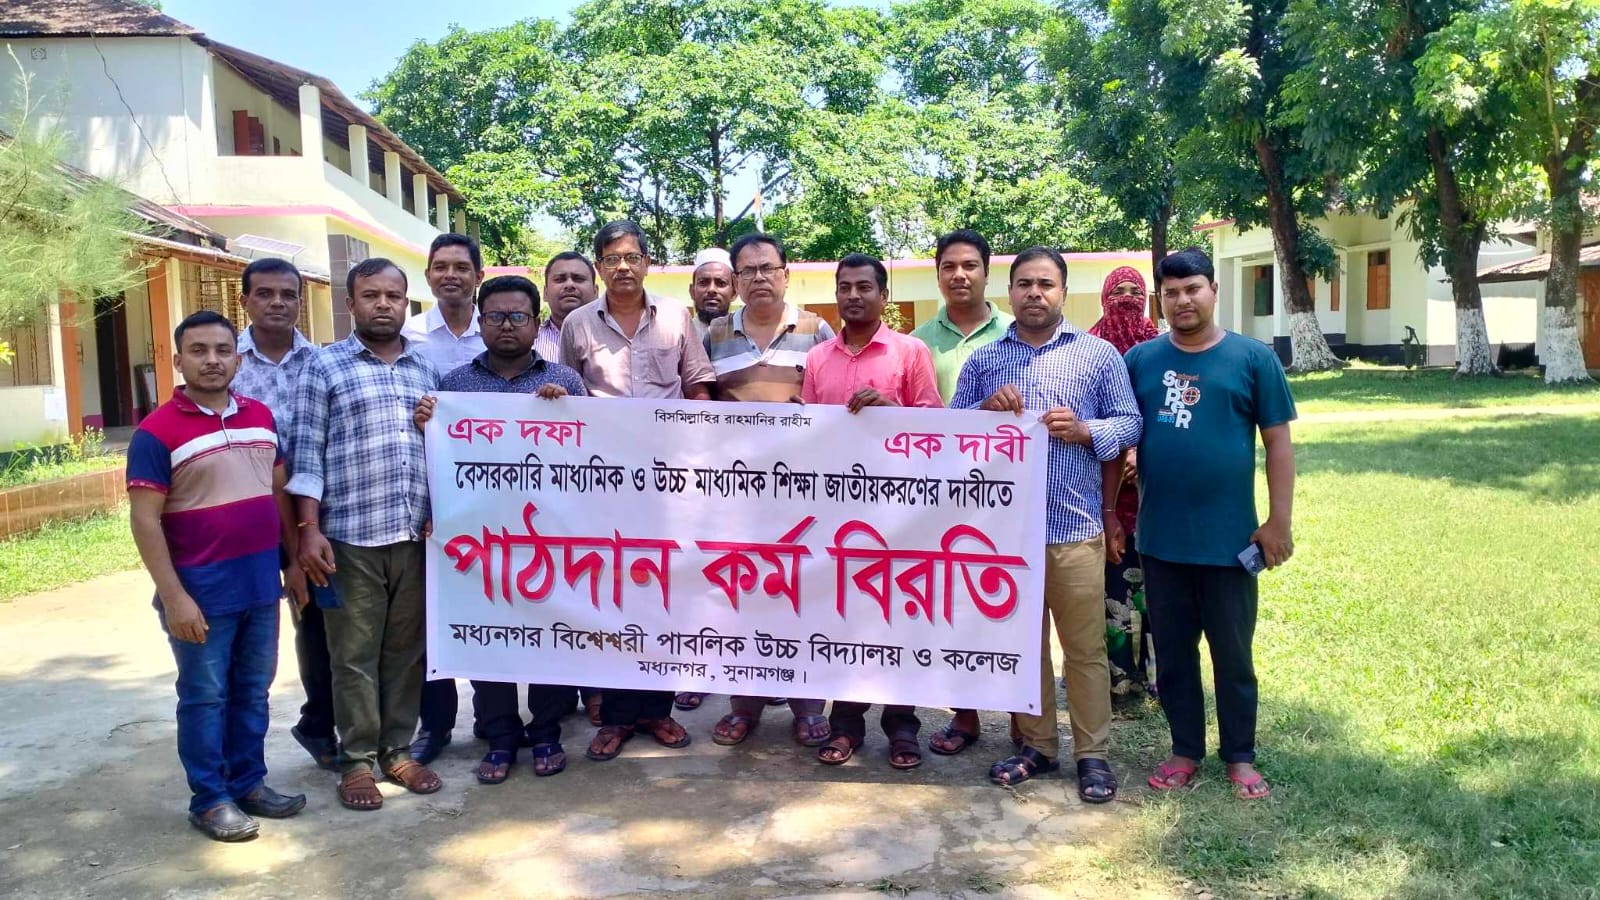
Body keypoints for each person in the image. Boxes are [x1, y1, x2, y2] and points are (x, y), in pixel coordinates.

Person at [951, 246, 1142, 803]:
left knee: (1083, 650)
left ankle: (1092, 754)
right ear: (1009, 292)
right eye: (1024, 284)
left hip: (1073, 528)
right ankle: (1037, 745)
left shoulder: (1097, 356)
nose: (1035, 293)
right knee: (1023, 646)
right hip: (1004, 534)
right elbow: (950, 431)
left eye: (1046, 284)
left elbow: (1130, 423)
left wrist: (1086, 431)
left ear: (1063, 292)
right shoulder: (985, 360)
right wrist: (984, 411)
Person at [127, 310, 307, 841]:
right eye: (199, 350)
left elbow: (278, 494)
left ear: (238, 358)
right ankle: (210, 799)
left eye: (223, 350)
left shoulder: (260, 417)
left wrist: (294, 562)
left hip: (260, 587)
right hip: (201, 593)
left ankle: (248, 783)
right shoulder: (156, 433)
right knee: (206, 697)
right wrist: (173, 597)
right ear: (178, 360)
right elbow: (144, 521)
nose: (212, 360)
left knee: (253, 691)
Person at [1125, 248, 1296, 801]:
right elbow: (1120, 432)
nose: (1183, 300)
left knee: (1233, 655)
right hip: (1161, 540)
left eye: (1192, 288)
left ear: (1213, 291)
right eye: (1171, 293)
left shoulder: (1253, 359)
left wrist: (1278, 521)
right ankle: (1184, 751)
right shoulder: (1141, 360)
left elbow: (1278, 444)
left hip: (1230, 543)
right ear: (1160, 300)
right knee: (1175, 657)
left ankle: (1240, 756)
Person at [412, 275, 590, 784]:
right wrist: (430, 423)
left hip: (548, 536)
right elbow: (437, 459)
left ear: (536, 323)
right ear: (480, 320)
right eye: (495, 316)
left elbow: (591, 455)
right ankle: (501, 736)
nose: (506, 326)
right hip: (478, 537)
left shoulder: (564, 381)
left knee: (551, 635)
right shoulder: (453, 386)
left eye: (518, 316)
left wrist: (569, 412)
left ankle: (547, 731)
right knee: (487, 636)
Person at [560, 219, 715, 762]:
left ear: (647, 262)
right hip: (603, 482)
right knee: (611, 594)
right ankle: (618, 717)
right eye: (612, 258)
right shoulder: (577, 324)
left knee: (662, 592)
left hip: (669, 482)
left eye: (632, 256)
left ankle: (658, 710)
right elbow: (566, 397)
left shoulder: (676, 317)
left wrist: (695, 455)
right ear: (599, 267)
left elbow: (698, 386)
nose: (622, 266)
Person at [290, 258, 443, 811]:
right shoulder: (323, 366)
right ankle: (355, 761)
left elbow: (444, 448)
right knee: (352, 654)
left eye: (393, 296)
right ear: (350, 303)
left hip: (414, 534)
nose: (383, 304)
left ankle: (397, 750)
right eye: (371, 295)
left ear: (406, 303)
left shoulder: (425, 370)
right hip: (349, 537)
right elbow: (306, 453)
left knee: (405, 651)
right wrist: (308, 530)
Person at [803, 253, 942, 770]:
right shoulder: (818, 359)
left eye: (864, 287)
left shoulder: (910, 352)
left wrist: (892, 414)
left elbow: (936, 426)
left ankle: (902, 726)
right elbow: (810, 435)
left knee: (898, 615)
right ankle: (846, 725)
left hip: (898, 510)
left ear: (884, 296)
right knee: (845, 616)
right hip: (836, 509)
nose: (854, 296)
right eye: (845, 287)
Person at [700, 232, 834, 743]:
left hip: (803, 494)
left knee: (802, 594)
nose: (759, 278)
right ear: (735, 280)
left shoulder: (817, 330)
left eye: (768, 268)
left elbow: (832, 404)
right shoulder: (713, 334)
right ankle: (744, 705)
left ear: (786, 274)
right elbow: (698, 406)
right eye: (748, 271)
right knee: (742, 597)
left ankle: (807, 706)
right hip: (735, 494)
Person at [229, 257, 338, 771]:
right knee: (246, 632)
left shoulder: (322, 362)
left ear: (300, 301)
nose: (278, 302)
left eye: (288, 294)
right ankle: (236, 755)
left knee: (317, 622)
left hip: (311, 510)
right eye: (265, 293)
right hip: (244, 518)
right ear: (245, 300)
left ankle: (320, 724)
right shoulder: (226, 363)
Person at [912, 229, 1017, 758]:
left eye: (969, 265)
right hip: (940, 493)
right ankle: (965, 714)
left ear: (986, 273)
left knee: (1013, 602)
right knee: (953, 604)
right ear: (937, 275)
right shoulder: (917, 341)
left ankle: (1024, 720)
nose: (959, 275)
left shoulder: (1016, 333)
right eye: (949, 266)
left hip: (1008, 491)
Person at [403, 233, 485, 765]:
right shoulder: (408, 336)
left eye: (461, 266)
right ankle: (434, 726)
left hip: (494, 496)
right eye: (440, 266)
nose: (450, 275)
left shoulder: (498, 328)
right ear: (428, 275)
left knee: (490, 603)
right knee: (433, 616)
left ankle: (494, 718)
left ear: (478, 275)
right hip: (427, 495)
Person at [1088, 266, 1161, 707]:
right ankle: (1116, 678)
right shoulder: (1089, 349)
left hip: (1154, 492)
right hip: (1103, 488)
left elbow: (1167, 416)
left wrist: (1141, 452)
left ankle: (1156, 677)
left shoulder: (1160, 350)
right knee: (1111, 587)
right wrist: (1120, 450)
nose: (1128, 298)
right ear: (1104, 297)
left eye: (1136, 290)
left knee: (1155, 591)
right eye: (1119, 291)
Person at [536, 251, 599, 362]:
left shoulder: (614, 339)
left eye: (579, 279)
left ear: (596, 291)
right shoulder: (528, 342)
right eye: (560, 279)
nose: (569, 285)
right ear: (545, 293)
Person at [688, 247, 736, 339]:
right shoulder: (680, 336)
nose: (711, 289)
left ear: (734, 292)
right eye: (703, 282)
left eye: (721, 283)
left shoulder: (746, 336)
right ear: (692, 291)